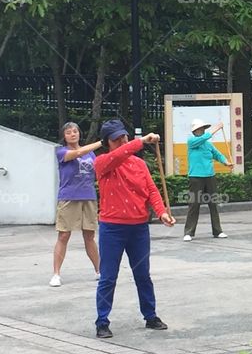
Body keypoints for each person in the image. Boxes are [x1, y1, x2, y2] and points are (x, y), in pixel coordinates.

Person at [93, 119, 176, 339]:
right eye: (116, 139)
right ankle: (102, 321)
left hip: (139, 228)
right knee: (108, 277)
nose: (121, 141)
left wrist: (161, 212)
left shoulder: (139, 165)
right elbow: (118, 156)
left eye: (124, 137)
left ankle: (150, 316)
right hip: (112, 228)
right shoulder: (103, 162)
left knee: (143, 274)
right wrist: (141, 142)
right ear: (107, 142)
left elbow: (151, 191)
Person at [50, 123, 102, 287]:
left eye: (75, 131)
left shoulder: (91, 154)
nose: (73, 134)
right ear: (63, 136)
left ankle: (99, 271)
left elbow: (98, 173)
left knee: (89, 236)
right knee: (64, 235)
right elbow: (79, 152)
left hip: (89, 198)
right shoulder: (61, 152)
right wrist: (103, 141)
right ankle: (56, 274)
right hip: (68, 198)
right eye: (68, 132)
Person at [183, 118, 229, 241]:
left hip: (210, 176)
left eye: (203, 128)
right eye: (199, 129)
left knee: (213, 204)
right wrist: (216, 128)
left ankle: (217, 231)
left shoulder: (208, 144)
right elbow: (206, 137)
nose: (202, 130)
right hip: (195, 177)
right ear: (194, 131)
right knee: (194, 204)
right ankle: (188, 232)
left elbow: (217, 154)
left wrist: (226, 162)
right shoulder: (191, 141)